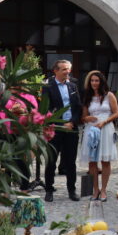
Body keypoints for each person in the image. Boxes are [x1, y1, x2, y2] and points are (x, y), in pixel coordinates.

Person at [41, 59, 82, 202]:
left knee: (71, 161)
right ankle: (49, 189)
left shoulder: (73, 86)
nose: (67, 72)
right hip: (55, 129)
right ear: (56, 71)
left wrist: (73, 122)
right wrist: (58, 123)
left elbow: (77, 106)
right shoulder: (48, 87)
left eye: (68, 69)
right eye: (64, 69)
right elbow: (45, 109)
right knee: (51, 160)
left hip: (71, 128)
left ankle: (72, 189)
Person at [79, 70, 118, 201]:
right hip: (91, 129)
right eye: (92, 80)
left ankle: (103, 190)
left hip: (106, 127)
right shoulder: (87, 96)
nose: (94, 83)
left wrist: (105, 121)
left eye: (96, 80)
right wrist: (87, 118)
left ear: (101, 82)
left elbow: (116, 113)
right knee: (92, 161)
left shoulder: (109, 95)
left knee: (105, 160)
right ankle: (95, 189)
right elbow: (83, 117)